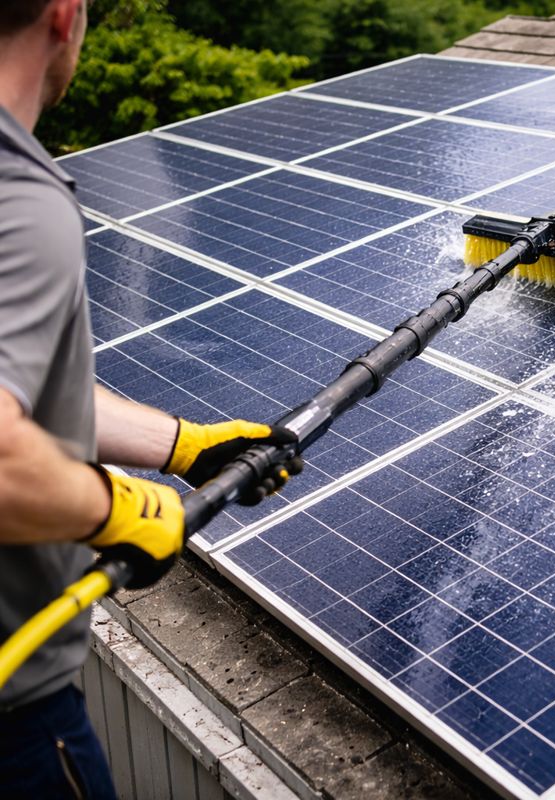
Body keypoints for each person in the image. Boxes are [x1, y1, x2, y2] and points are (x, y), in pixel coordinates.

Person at [0, 2, 300, 796]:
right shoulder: (16, 201)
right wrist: (117, 510)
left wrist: (185, 446)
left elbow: (24, 400)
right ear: (64, 16)